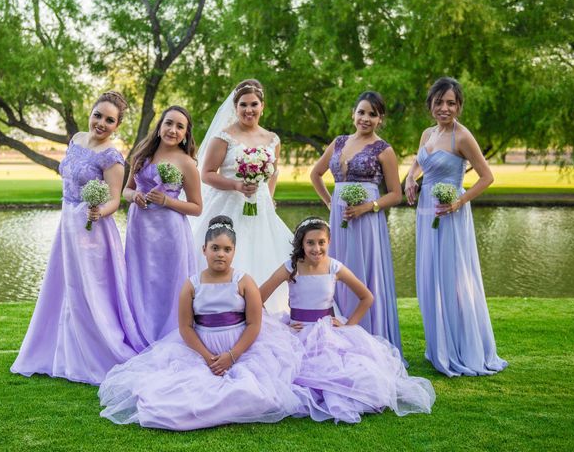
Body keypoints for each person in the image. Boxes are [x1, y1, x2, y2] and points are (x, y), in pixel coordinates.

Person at [98, 216, 305, 430]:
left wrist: (232, 356)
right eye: (215, 248)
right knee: (177, 393)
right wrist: (208, 357)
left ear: (234, 251)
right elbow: (185, 327)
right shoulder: (192, 284)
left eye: (227, 249)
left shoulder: (244, 281)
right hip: (200, 349)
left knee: (254, 392)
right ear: (204, 249)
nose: (220, 254)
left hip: (241, 347)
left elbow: (254, 324)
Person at [11, 91, 145, 385]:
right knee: (61, 285)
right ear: (91, 112)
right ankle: (56, 350)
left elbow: (114, 200)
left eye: (109, 120)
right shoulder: (76, 140)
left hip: (93, 232)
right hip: (67, 225)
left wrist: (98, 211)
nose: (101, 123)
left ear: (117, 125)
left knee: (89, 291)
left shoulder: (112, 158)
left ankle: (96, 351)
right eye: (98, 115)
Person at [260, 218, 435, 423]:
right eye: (310, 243)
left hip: (327, 331)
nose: (316, 248)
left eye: (321, 242)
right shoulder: (291, 267)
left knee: (349, 372)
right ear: (301, 243)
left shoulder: (334, 267)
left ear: (329, 242)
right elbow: (258, 297)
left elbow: (367, 297)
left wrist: (348, 325)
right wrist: (281, 326)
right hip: (298, 332)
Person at [405, 77, 508, 377]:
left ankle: (460, 348)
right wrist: (411, 177)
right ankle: (439, 345)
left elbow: (487, 177)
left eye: (451, 103)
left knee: (453, 279)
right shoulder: (428, 133)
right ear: (431, 105)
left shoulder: (462, 137)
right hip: (427, 213)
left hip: (451, 216)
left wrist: (458, 202)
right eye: (439, 102)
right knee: (429, 277)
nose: (445, 108)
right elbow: (419, 161)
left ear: (459, 105)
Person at [310, 91, 404, 358]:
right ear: (353, 114)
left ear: (380, 119)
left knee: (364, 272)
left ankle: (370, 338)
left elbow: (395, 194)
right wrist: (331, 203)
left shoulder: (384, 150)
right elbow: (315, 174)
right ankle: (339, 337)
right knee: (337, 271)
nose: (365, 118)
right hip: (339, 220)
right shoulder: (338, 142)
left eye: (372, 114)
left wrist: (368, 207)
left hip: (368, 223)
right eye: (361, 112)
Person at [190, 79, 292, 313]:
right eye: (243, 105)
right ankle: (221, 307)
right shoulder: (223, 137)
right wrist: (236, 185)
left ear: (262, 106)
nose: (249, 110)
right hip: (227, 205)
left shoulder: (272, 139)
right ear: (235, 108)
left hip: (261, 208)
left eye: (254, 104)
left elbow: (274, 172)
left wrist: (269, 197)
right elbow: (206, 174)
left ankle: (263, 308)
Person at [122, 106, 202, 345]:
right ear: (159, 127)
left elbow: (197, 207)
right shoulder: (141, 156)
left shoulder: (186, 163)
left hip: (170, 231)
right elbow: (126, 189)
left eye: (180, 127)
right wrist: (132, 197)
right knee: (141, 279)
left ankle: (171, 335)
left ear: (186, 134)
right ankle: (140, 331)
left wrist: (168, 200)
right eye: (169, 123)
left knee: (168, 283)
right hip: (140, 229)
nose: (173, 130)